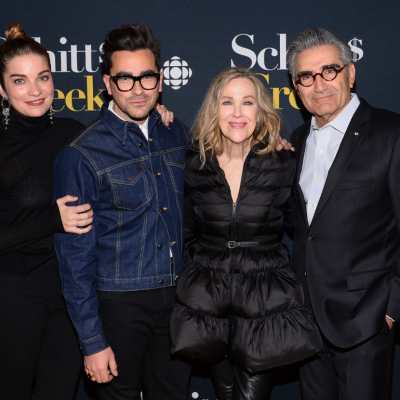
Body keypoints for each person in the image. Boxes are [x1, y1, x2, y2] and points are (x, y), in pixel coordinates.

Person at [52, 23, 192, 400]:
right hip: (118, 306)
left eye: (146, 78)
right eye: (125, 79)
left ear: (160, 81)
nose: (137, 89)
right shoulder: (81, 154)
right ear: (108, 83)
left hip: (178, 300)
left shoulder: (175, 132)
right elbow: (74, 259)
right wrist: (92, 341)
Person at [169, 66, 322, 400]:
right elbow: (183, 228)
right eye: (227, 102)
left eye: (247, 102)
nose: (237, 113)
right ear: (215, 109)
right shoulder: (194, 163)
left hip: (264, 297)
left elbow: (302, 229)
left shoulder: (285, 161)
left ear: (261, 111)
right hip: (209, 298)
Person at [287, 28, 400, 400]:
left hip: (365, 322)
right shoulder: (298, 140)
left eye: (329, 71)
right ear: (296, 87)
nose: (319, 84)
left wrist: (390, 311)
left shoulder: (391, 132)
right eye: (306, 76)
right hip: (307, 325)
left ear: (350, 73)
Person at [0, 23, 94, 400]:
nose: (35, 90)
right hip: (14, 290)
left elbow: (128, 143)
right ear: (2, 89)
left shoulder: (76, 132)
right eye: (20, 81)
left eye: (43, 77)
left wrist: (159, 115)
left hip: (71, 289)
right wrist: (50, 222)